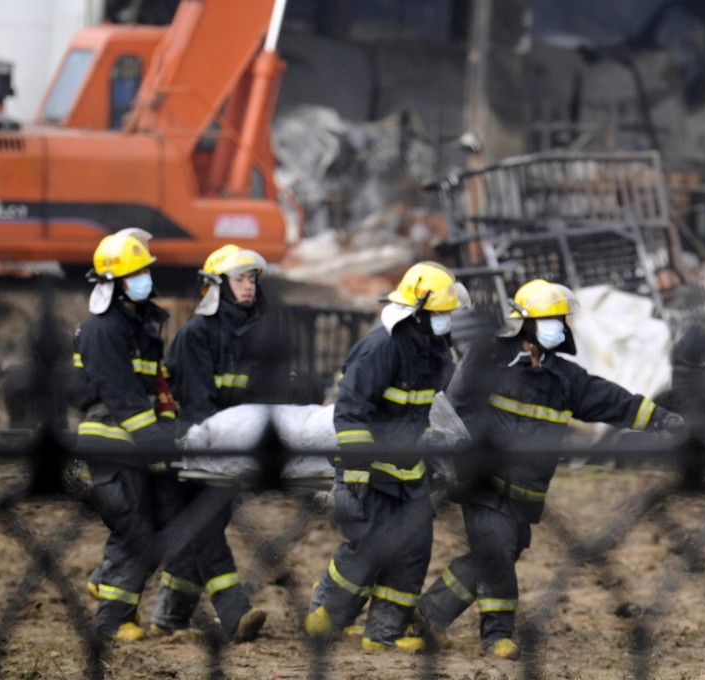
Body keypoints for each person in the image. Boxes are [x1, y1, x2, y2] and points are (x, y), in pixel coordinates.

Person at [416, 279, 687, 659]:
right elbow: (453, 411)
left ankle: (430, 612)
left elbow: (612, 400)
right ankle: (497, 636)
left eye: (560, 320)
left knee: (498, 554)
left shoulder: (565, 378)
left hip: (525, 491)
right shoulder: (489, 359)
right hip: (483, 482)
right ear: (526, 324)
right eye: (549, 320)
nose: (557, 327)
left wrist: (661, 419)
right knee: (496, 551)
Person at [305, 261, 465, 653]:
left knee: (413, 551)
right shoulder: (380, 348)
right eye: (441, 313)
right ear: (419, 311)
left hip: (409, 473)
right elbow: (351, 411)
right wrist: (357, 468)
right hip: (370, 470)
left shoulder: (434, 352)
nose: (446, 321)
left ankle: (384, 634)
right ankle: (326, 610)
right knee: (368, 547)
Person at [146, 245, 282, 642]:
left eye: (252, 279)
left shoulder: (253, 333)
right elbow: (198, 406)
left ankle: (169, 617)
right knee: (206, 529)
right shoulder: (197, 335)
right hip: (196, 448)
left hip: (233, 448)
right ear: (218, 285)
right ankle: (234, 611)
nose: (248, 286)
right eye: (239, 279)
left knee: (201, 529)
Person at [72, 228, 180, 642]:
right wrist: (158, 447)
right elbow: (122, 397)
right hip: (112, 445)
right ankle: (112, 620)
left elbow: (156, 388)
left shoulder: (141, 326)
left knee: (154, 526)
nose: (144, 280)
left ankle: (107, 581)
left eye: (145, 271)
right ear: (114, 284)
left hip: (139, 441)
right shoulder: (103, 330)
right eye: (136, 274)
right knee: (135, 528)